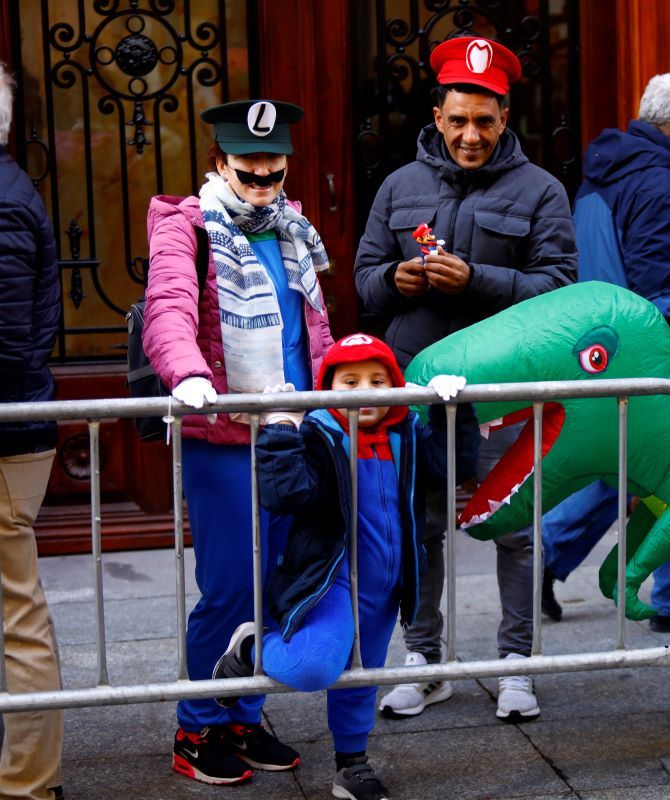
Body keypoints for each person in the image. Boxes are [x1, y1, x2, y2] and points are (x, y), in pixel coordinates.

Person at [354, 35, 576, 722]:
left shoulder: (541, 189)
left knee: (512, 527)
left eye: (485, 120)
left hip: (503, 391)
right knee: (419, 527)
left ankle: (517, 664)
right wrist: (397, 277)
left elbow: (562, 288)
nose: (471, 135)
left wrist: (477, 279)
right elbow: (364, 285)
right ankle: (424, 661)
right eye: (458, 120)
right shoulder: (399, 185)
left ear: (505, 115)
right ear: (437, 114)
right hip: (417, 393)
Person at [143, 99, 334, 785]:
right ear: (219, 163)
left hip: (291, 430)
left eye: (272, 174)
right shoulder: (186, 226)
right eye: (247, 172)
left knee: (278, 584)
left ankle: (243, 718)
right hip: (221, 432)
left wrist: (342, 385)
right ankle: (196, 731)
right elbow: (168, 307)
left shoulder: (294, 231)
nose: (260, 186)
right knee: (229, 588)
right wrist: (188, 373)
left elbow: (312, 331)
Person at [212, 333, 477, 800]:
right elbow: (284, 493)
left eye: (377, 380)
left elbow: (453, 465)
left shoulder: (407, 433)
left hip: (386, 584)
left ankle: (351, 767)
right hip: (330, 579)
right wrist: (279, 429)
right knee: (315, 667)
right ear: (329, 387)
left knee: (361, 677)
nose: (365, 391)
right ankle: (252, 650)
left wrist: (451, 409)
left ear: (395, 385)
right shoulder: (317, 433)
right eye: (349, 381)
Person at [539, 73, 670, 634]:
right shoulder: (657, 185)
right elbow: (664, 288)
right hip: (664, 354)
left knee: (625, 469)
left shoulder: (609, 172)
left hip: (614, 344)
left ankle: (543, 557)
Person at [0, 60, 65, 800]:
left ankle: (27, 783)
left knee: (19, 611)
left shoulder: (5, 202)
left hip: (8, 434)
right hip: (14, 427)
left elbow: (9, 342)